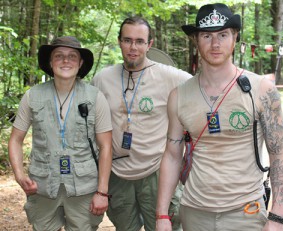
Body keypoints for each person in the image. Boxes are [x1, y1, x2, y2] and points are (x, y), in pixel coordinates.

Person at [156, 3, 283, 231]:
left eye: (223, 34)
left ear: (235, 37)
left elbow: (278, 154)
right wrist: (162, 215)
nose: (215, 44)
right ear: (195, 40)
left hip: (245, 213)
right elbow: (172, 155)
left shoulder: (261, 90)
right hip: (194, 211)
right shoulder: (178, 96)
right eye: (207, 35)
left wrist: (277, 216)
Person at [91, 16, 192, 231]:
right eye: (127, 40)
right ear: (119, 42)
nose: (133, 47)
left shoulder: (171, 77)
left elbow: (204, 89)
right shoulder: (102, 79)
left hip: (157, 172)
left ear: (149, 44)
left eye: (139, 41)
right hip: (117, 174)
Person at [8, 36, 113, 231]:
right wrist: (19, 175)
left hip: (84, 188)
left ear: (80, 63)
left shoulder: (95, 98)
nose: (66, 61)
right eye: (59, 56)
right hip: (42, 186)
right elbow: (16, 139)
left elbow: (106, 146)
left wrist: (102, 192)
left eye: (72, 56)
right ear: (50, 61)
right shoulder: (32, 96)